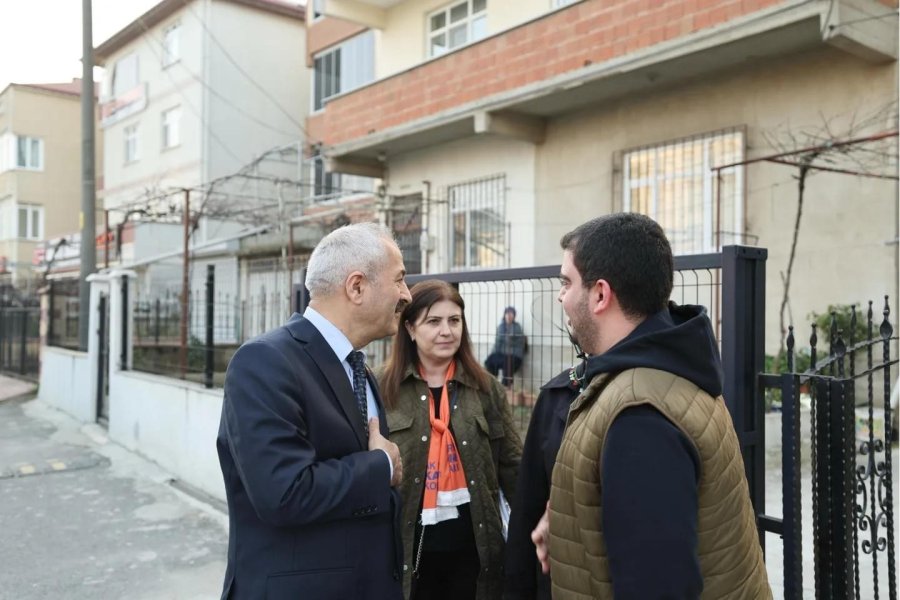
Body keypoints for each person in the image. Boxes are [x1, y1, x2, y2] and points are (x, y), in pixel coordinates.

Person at [532, 213, 771, 599]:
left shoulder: (639, 416)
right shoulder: (670, 370)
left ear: (600, 295)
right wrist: (567, 518)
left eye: (567, 282)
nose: (562, 296)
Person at [216, 222, 411, 600]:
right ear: (356, 287)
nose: (406, 294)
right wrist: (381, 466)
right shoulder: (264, 361)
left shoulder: (359, 369)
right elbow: (283, 492)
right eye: (400, 279)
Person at [378, 279, 523, 600]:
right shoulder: (382, 388)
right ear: (410, 329)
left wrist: (533, 527)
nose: (447, 331)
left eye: (454, 320)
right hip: (406, 553)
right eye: (434, 321)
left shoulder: (485, 388)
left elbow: (513, 466)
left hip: (473, 552)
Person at [484, 306, 527, 387]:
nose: (509, 316)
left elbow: (511, 341)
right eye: (507, 314)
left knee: (508, 363)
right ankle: (492, 383)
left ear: (514, 316)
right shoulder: (501, 326)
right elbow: (497, 343)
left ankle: (505, 387)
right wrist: (493, 355)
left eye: (511, 314)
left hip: (515, 355)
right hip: (503, 355)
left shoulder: (517, 327)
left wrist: (506, 332)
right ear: (504, 315)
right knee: (490, 360)